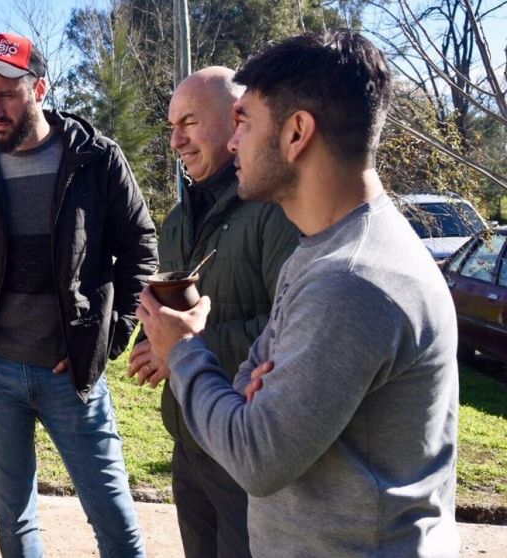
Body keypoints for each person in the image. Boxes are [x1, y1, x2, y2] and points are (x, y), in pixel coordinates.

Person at [137, 30, 459, 557]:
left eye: (245, 122)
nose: (234, 143)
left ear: (296, 133)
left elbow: (255, 456)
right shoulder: (324, 250)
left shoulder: (351, 280)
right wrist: (251, 386)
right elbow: (251, 382)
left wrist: (184, 351)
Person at [0, 32, 157, 557]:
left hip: (69, 372)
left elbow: (140, 246)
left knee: (115, 519)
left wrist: (110, 337)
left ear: (40, 89)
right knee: (14, 521)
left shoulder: (95, 159)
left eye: (7, 94)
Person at [127, 67, 297, 557]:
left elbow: (290, 328)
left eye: (190, 123)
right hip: (188, 441)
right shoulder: (178, 220)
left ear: (236, 120)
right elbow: (182, 310)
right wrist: (151, 338)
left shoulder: (274, 209)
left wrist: (179, 350)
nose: (176, 140)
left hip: (245, 447)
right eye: (171, 127)